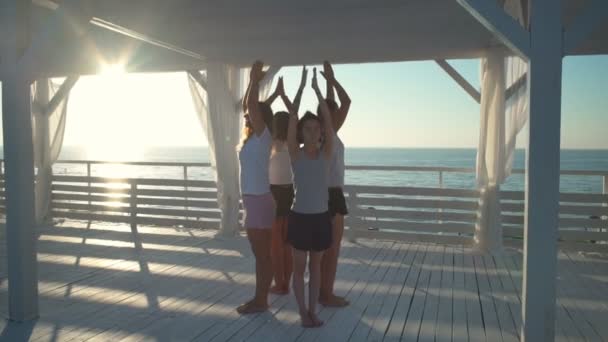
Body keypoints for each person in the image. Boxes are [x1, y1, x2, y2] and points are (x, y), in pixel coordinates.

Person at [284, 67, 334, 328]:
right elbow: (292, 117)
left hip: (320, 218)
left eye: (316, 128)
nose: (313, 132)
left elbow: (328, 120)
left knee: (316, 268)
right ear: (301, 133)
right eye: (308, 129)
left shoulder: (327, 154)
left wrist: (318, 90)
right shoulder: (296, 153)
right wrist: (302, 87)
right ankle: (303, 312)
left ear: (321, 132)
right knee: (299, 266)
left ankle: (313, 310)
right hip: (300, 218)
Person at [236, 60, 275, 314]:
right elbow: (246, 106)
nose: (248, 115)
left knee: (262, 255)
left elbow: (250, 105)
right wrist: (252, 82)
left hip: (259, 201)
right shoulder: (253, 139)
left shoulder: (263, 137)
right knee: (262, 254)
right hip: (256, 201)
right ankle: (261, 298)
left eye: (253, 114)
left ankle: (260, 300)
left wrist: (254, 80)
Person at [265, 67, 308, 295]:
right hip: (291, 193)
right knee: (287, 244)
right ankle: (285, 284)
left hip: (274, 194)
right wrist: (282, 95)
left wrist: (276, 95)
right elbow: (294, 114)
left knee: (275, 245)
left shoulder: (270, 145)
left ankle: (279, 283)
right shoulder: (292, 147)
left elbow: (262, 114)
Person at [319, 61, 352, 307]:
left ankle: (323, 292)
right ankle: (326, 295)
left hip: (320, 195)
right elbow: (347, 101)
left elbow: (335, 105)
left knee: (323, 249)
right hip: (331, 196)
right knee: (332, 249)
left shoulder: (319, 133)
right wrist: (332, 81)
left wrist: (328, 85)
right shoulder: (329, 133)